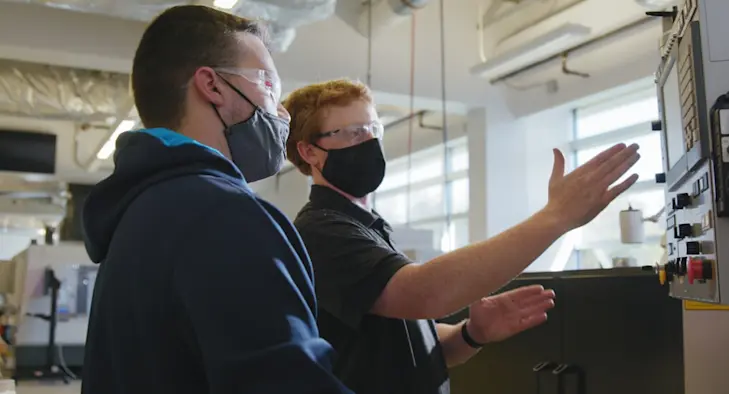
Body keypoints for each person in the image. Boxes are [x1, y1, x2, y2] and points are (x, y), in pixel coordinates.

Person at [282, 79, 641, 394]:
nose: (370, 141)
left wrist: (472, 333)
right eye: (354, 133)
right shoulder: (320, 231)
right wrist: (555, 218)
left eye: (374, 128)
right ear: (309, 151)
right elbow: (425, 293)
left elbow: (406, 343)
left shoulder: (367, 226)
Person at [80, 6, 351, 394]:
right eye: (269, 85)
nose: (283, 112)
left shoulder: (136, 210)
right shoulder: (225, 217)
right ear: (213, 86)